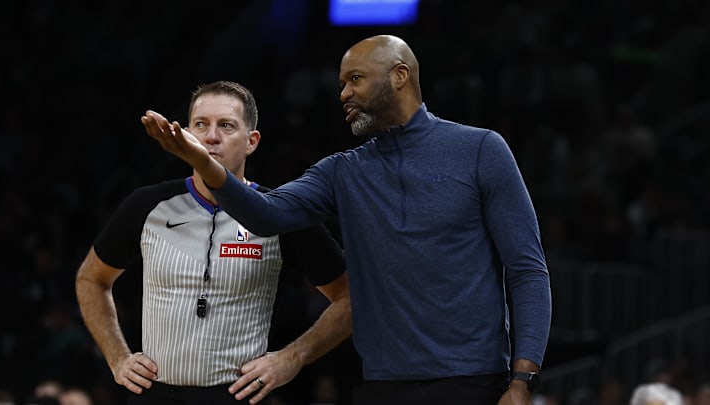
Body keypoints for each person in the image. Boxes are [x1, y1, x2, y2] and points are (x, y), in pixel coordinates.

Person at [143, 34, 551, 405]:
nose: (344, 93)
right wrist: (203, 161)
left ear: (399, 76)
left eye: (355, 79)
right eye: (342, 83)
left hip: (475, 382)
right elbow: (265, 216)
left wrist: (522, 380)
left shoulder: (480, 149)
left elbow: (527, 270)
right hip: (382, 386)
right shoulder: (344, 170)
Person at [76, 81, 352, 405]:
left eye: (226, 125)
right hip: (155, 394)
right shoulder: (146, 206)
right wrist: (117, 357)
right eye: (200, 125)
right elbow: (91, 279)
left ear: (252, 141)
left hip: (237, 395)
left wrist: (294, 356)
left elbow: (350, 297)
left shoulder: (279, 212)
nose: (211, 136)